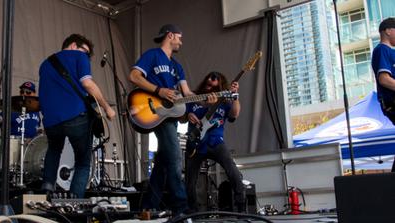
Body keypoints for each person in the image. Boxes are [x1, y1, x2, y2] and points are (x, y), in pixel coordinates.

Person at [39, 34, 115, 198]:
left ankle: (46, 191)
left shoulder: (45, 64)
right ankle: (74, 203)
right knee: (82, 162)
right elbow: (87, 84)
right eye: (85, 52)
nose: (86, 56)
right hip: (75, 116)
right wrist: (107, 107)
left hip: (51, 121)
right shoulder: (79, 57)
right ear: (73, 45)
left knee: (53, 151)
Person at [128, 24, 194, 215]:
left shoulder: (177, 66)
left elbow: (187, 93)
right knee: (174, 159)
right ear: (170, 35)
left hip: (170, 117)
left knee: (163, 163)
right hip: (156, 112)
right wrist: (159, 90)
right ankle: (182, 209)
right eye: (179, 38)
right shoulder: (152, 55)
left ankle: (149, 206)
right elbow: (134, 75)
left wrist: (208, 99)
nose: (181, 42)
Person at [185, 71, 245, 213]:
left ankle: (241, 207)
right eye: (208, 80)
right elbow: (181, 117)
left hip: (216, 142)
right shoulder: (193, 97)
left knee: (233, 172)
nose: (209, 83)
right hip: (196, 144)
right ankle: (193, 212)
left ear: (220, 86)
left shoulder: (224, 101)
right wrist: (188, 114)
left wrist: (235, 95)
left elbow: (234, 114)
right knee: (190, 180)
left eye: (214, 82)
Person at [371, 17, 395, 172]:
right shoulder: (381, 50)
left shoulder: (390, 52)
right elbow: (384, 79)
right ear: (387, 31)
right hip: (391, 103)